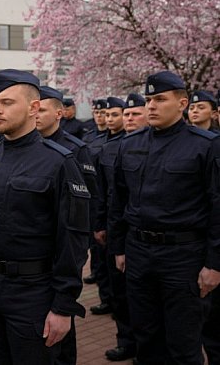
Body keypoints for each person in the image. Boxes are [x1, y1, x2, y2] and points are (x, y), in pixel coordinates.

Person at [0, 69, 89, 364]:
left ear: (33, 108)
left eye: (7, 103)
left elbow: (72, 240)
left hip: (34, 292)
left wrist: (63, 307)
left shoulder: (58, 162)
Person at [109, 71, 220, 365]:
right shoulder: (129, 145)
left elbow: (217, 208)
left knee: (183, 343)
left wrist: (214, 263)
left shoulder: (206, 145)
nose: (152, 106)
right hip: (139, 253)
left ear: (182, 103)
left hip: (183, 256)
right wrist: (119, 247)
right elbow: (118, 200)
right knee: (146, 339)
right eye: (149, 100)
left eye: (160, 99)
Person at [36, 85, 100, 365]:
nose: (34, 114)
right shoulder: (21, 149)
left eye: (41, 109)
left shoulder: (75, 150)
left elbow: (88, 201)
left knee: (61, 328)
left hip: (62, 249)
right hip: (33, 253)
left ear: (59, 112)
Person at [98, 92, 147, 362]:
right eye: (125, 114)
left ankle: (144, 347)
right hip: (119, 233)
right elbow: (107, 195)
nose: (129, 119)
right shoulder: (111, 147)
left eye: (133, 114)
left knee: (142, 299)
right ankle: (126, 341)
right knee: (120, 294)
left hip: (144, 236)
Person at [87, 97, 127, 313]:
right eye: (106, 114)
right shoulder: (97, 140)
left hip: (121, 216)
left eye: (114, 114)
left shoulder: (126, 144)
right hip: (102, 210)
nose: (108, 119)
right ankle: (108, 299)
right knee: (103, 263)